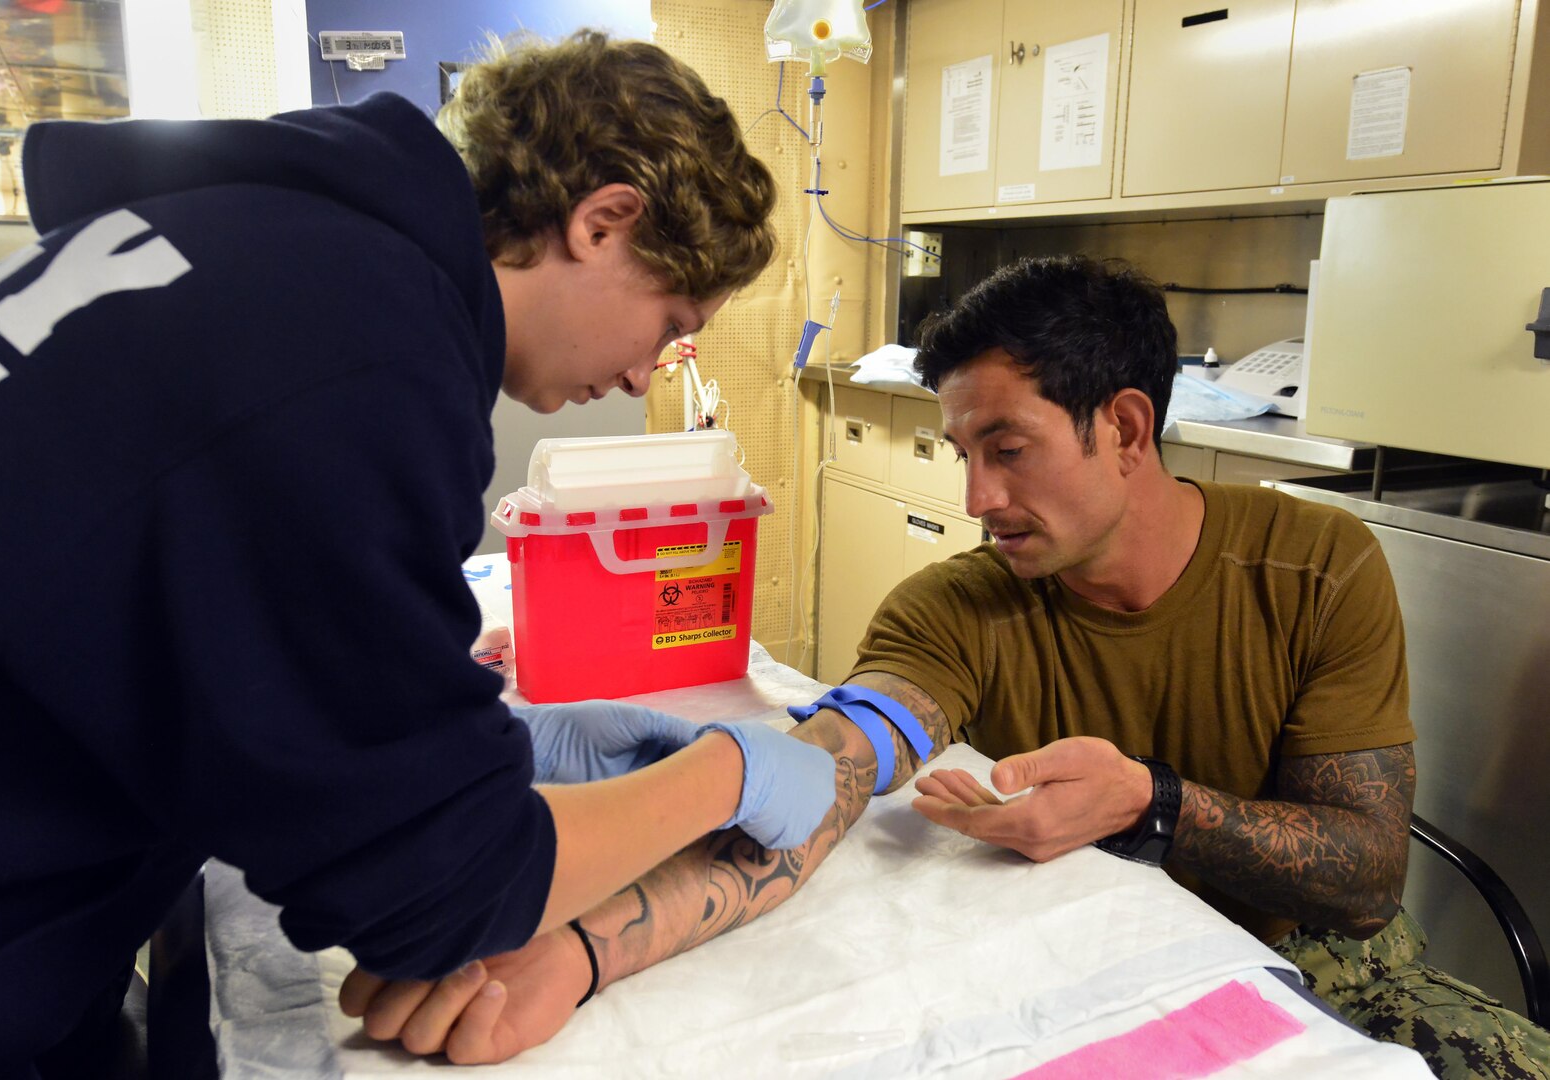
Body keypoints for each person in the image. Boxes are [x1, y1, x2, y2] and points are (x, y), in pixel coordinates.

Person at [345, 255, 1550, 1077]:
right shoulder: (958, 608)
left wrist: (1153, 802)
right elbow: (827, 779)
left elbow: (1365, 873)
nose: (979, 500)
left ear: (1126, 428)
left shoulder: (1315, 564)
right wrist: (581, 948)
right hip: (1127, 967)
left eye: (1010, 449)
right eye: (962, 453)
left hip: (1329, 964)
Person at [0, 31, 837, 1080]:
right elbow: (441, 888)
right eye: (670, 323)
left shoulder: (241, 246)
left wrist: (465, 746)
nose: (644, 379)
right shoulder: (357, 348)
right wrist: (726, 775)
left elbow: (218, 638)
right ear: (605, 220)